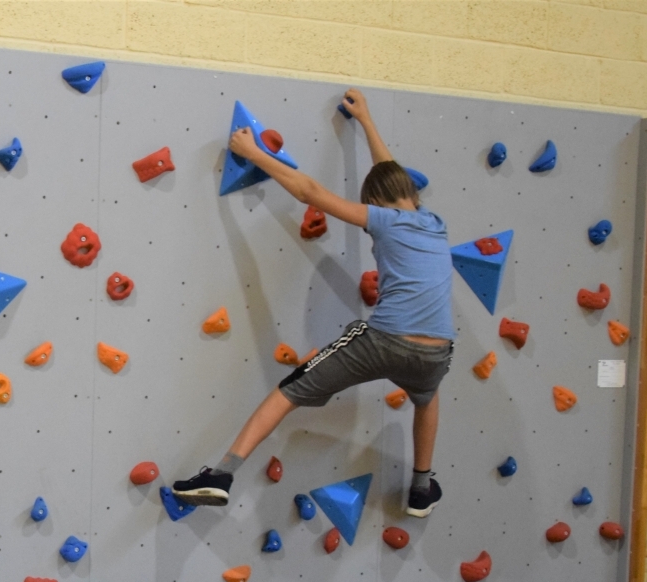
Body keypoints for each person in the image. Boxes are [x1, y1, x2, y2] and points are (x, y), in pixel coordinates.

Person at [173, 88, 451, 518]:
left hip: (386, 339)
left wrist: (255, 152)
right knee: (427, 398)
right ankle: (421, 486)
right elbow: (390, 173)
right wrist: (367, 122)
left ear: (374, 204)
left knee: (289, 392)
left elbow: (308, 191)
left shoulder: (382, 219)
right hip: (436, 352)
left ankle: (221, 474)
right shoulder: (433, 223)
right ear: (411, 195)